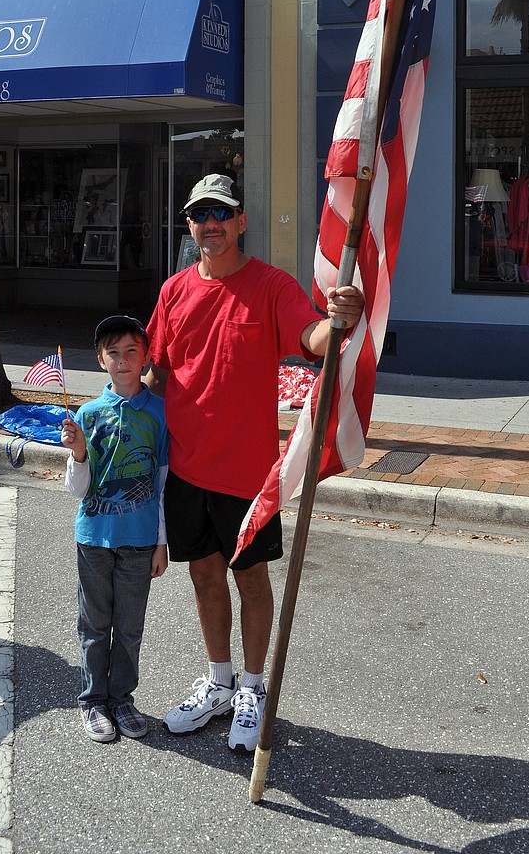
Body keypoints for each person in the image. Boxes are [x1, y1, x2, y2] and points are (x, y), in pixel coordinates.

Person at [146, 173, 363, 753]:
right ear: (189, 226)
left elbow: (312, 335)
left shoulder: (270, 285)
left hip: (248, 477)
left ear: (241, 221)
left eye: (220, 213)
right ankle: (218, 681)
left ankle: (253, 687)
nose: (208, 224)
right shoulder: (173, 291)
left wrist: (339, 319)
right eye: (198, 215)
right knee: (202, 574)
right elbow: (156, 370)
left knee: (250, 580)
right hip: (186, 469)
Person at [60, 314, 169, 743]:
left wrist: (161, 541)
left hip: (141, 541)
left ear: (145, 357)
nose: (123, 360)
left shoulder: (160, 413)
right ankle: (93, 701)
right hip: (94, 538)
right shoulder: (87, 413)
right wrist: (80, 452)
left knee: (129, 625)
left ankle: (122, 697)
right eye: (114, 353)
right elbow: (77, 489)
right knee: (93, 622)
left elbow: (161, 482)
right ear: (101, 360)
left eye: (131, 351)